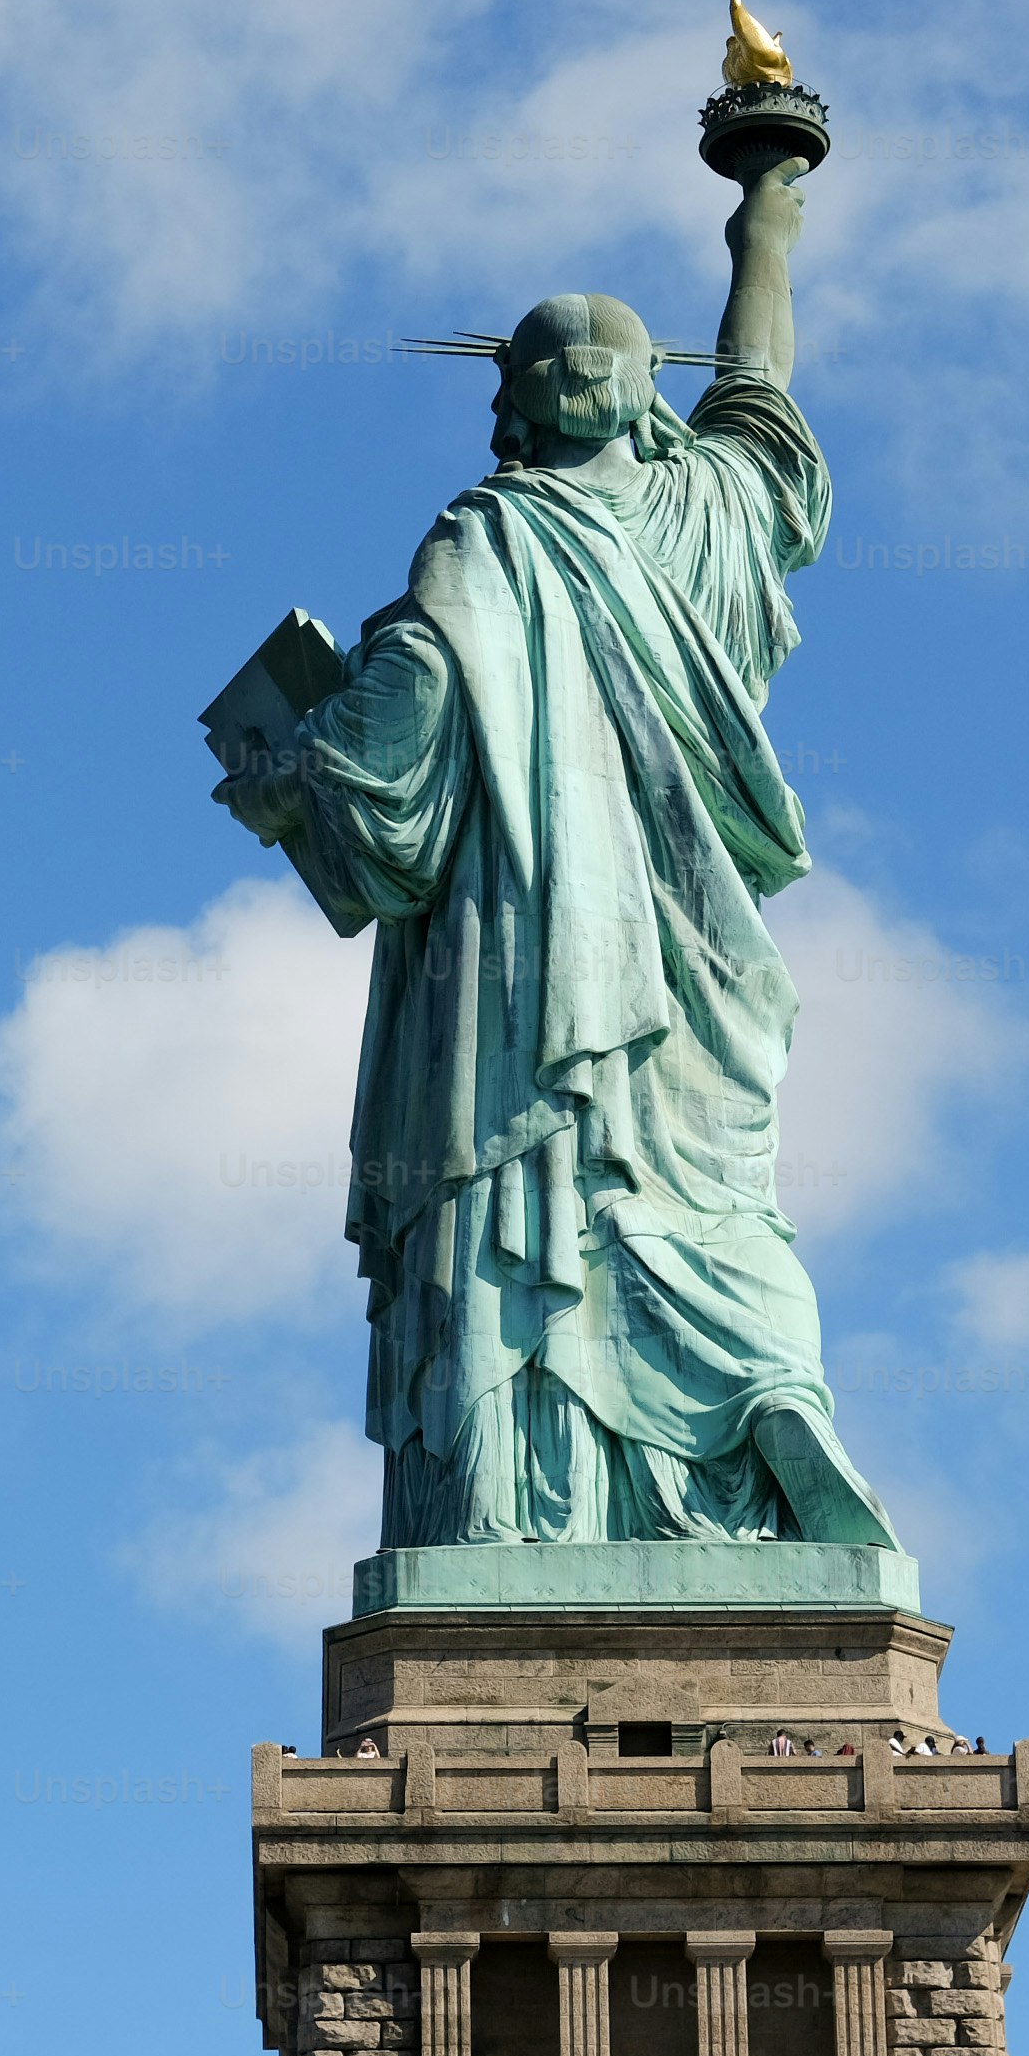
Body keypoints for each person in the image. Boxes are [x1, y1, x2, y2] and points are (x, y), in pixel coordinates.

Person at [215, 155, 899, 1556]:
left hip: (519, 967)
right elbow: (759, 388)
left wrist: (285, 774)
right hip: (690, 959)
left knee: (527, 1197)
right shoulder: (711, 516)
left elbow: (390, 762)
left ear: (513, 407)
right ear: (648, 399)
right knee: (703, 1200)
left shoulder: (487, 537)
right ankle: (758, 1391)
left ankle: (514, 1502)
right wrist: (767, 215)